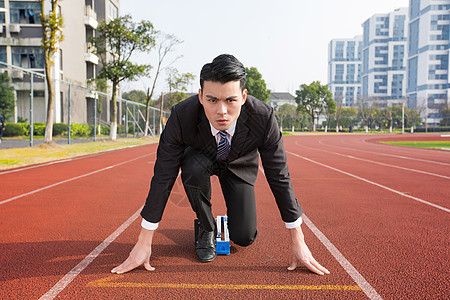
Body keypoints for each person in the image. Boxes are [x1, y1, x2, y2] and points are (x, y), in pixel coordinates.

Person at [112, 54, 329, 276]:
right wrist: (144, 241)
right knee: (193, 166)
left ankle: (231, 224)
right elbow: (163, 175)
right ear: (200, 96)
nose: (222, 111)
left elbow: (279, 175)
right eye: (212, 100)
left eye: (231, 100)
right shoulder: (181, 116)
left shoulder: (263, 118)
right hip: (199, 158)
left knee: (244, 237)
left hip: (239, 163)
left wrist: (298, 240)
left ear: (243, 97)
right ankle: (206, 226)